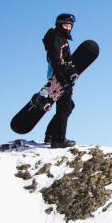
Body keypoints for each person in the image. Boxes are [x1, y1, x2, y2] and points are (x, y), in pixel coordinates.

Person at [42, 13, 77, 148]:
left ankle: (50, 135)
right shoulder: (57, 38)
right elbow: (56, 59)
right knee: (64, 108)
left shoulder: (61, 38)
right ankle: (58, 139)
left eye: (70, 26)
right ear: (59, 25)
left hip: (59, 75)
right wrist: (62, 79)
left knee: (68, 106)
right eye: (65, 25)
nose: (68, 28)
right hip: (59, 76)